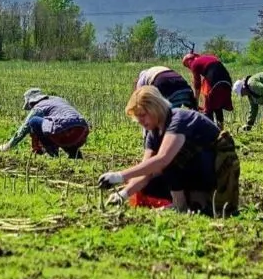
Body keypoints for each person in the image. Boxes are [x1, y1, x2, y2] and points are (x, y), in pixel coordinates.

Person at [98, 85, 239, 216]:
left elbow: (163, 159)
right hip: (192, 170)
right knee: (149, 184)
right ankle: (188, 203)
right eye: (137, 117)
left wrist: (119, 176)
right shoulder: (153, 133)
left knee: (166, 162)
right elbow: (145, 174)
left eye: (142, 115)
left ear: (155, 107)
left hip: (212, 168)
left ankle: (183, 204)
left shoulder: (178, 120)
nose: (140, 121)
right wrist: (123, 194)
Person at [0, 88, 90, 159]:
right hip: (82, 131)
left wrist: (8, 146)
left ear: (32, 102)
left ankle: (52, 152)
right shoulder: (58, 100)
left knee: (33, 121)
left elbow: (24, 128)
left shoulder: (39, 107)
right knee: (56, 128)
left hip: (64, 131)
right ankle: (74, 154)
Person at [181, 52, 234, 128]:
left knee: (209, 106)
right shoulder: (208, 58)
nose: (188, 67)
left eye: (186, 65)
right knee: (217, 105)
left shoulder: (194, 64)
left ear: (188, 61)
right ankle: (221, 129)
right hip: (227, 80)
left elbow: (197, 84)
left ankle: (211, 130)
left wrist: (196, 101)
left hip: (214, 80)